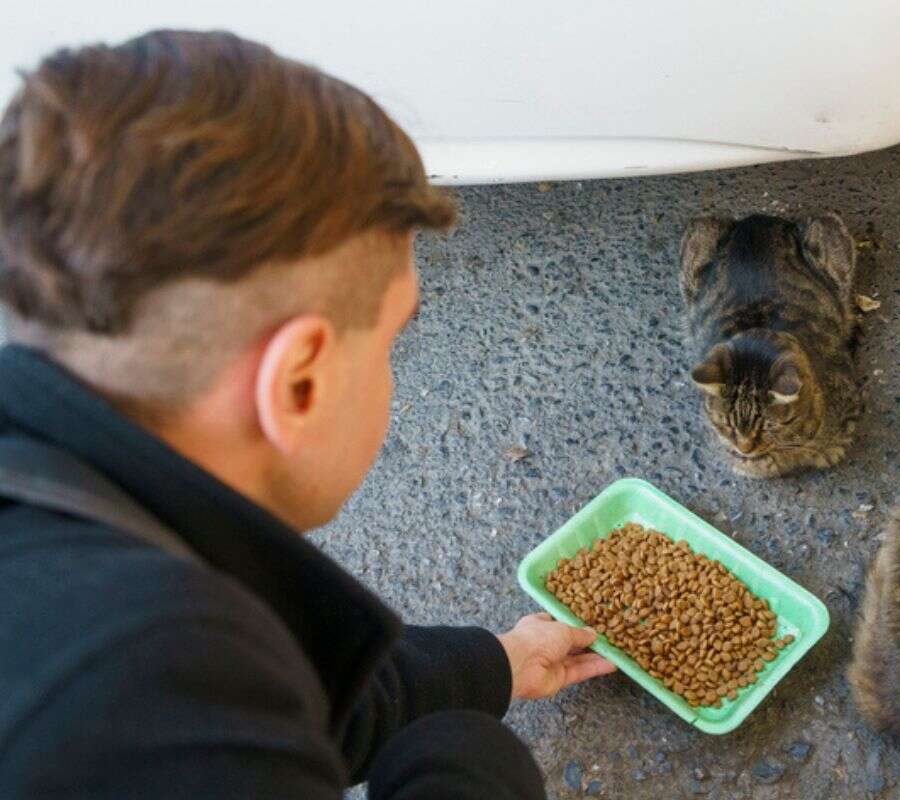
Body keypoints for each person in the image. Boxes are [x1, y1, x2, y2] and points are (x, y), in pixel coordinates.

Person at [0, 29, 614, 799]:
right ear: (298, 383)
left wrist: (497, 663)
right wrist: (467, 757)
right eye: (394, 339)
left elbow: (260, 693)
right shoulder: (141, 713)